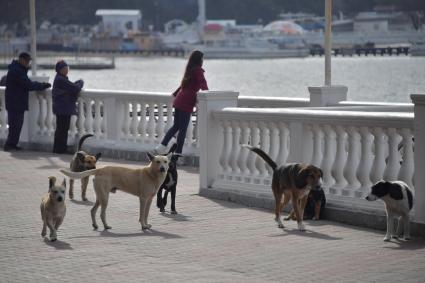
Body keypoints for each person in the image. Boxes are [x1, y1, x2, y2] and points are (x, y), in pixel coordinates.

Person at [154, 50, 208, 156]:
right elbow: (203, 83)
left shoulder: (190, 69)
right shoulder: (198, 70)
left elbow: (182, 86)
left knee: (176, 126)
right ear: (199, 60)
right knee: (182, 129)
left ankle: (161, 147)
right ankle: (178, 152)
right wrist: (208, 94)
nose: (203, 61)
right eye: (202, 58)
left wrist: (174, 94)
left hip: (179, 100)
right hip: (186, 103)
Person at [4, 52, 51, 151]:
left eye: (29, 61)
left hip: (15, 102)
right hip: (15, 102)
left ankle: (12, 144)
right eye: (27, 60)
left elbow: (26, 83)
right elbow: (28, 84)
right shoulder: (17, 71)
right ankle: (10, 145)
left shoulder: (17, 69)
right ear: (21, 59)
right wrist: (42, 85)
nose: (28, 63)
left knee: (16, 125)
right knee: (15, 125)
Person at [52, 60, 84, 154]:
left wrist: (76, 84)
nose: (66, 70)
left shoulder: (60, 79)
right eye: (64, 68)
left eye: (67, 68)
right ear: (59, 70)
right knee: (62, 129)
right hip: (63, 108)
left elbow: (71, 87)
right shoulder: (60, 79)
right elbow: (75, 88)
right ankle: (60, 149)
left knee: (61, 129)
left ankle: (58, 149)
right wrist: (81, 82)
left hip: (61, 108)